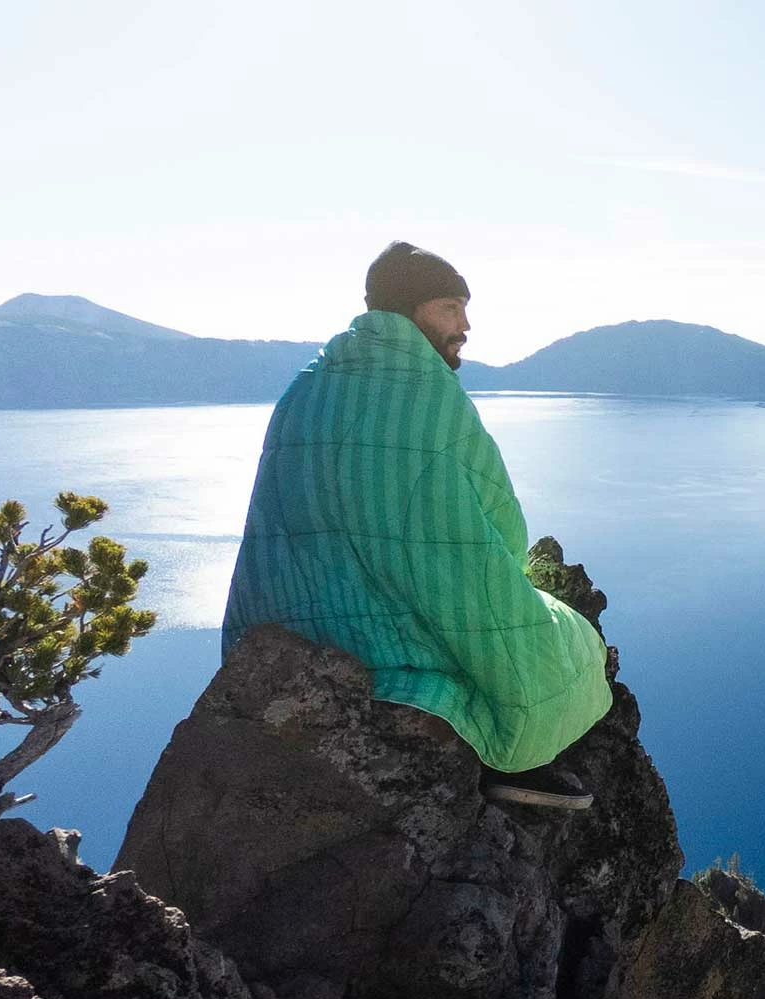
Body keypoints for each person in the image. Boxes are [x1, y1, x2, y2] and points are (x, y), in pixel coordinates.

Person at [222, 241, 612, 807]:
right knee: (565, 644)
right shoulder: (430, 394)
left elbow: (276, 516)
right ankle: (510, 767)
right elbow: (501, 525)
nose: (465, 326)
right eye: (451, 308)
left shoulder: (305, 387)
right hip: (395, 632)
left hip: (289, 624)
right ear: (407, 309)